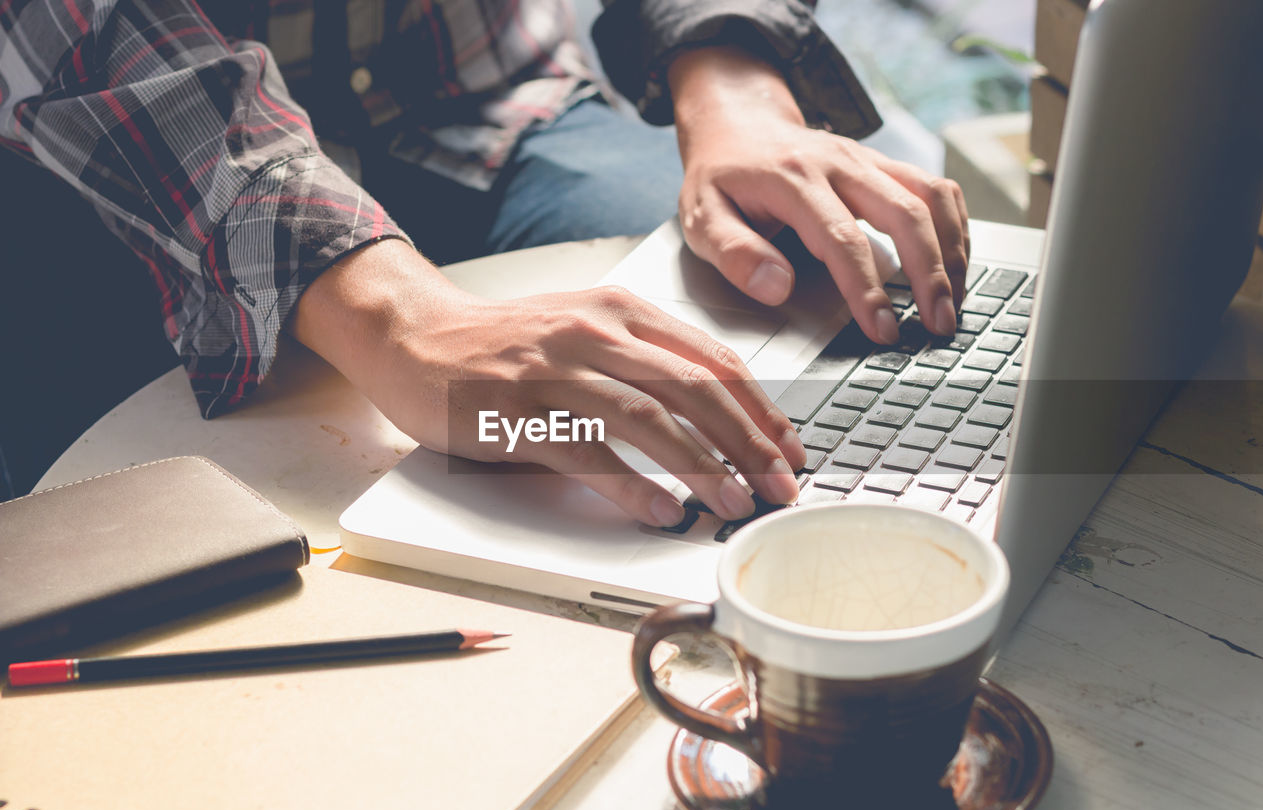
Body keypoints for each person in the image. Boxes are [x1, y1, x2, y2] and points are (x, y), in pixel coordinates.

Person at [0, 0, 969, 522]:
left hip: (481, 105)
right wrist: (401, 320)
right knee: (136, 551)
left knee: (783, 293)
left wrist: (730, 85)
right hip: (101, 178)